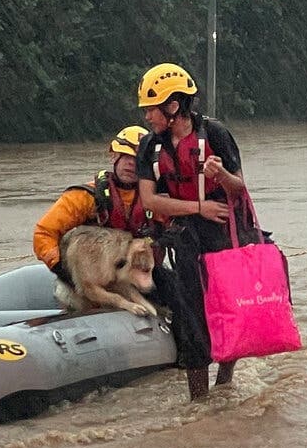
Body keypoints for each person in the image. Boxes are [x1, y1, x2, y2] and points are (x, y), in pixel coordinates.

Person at [133, 63, 244, 400]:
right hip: (184, 238)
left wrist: (221, 175)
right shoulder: (149, 148)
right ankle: (199, 401)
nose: (147, 118)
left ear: (173, 106)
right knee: (193, 320)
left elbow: (239, 188)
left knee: (227, 311)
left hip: (222, 236)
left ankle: (225, 384)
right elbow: (150, 200)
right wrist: (198, 209)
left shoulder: (216, 135)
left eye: (151, 109)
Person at [32, 125, 163, 274]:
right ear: (114, 156)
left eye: (137, 160)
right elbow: (44, 233)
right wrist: (60, 268)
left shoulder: (157, 198)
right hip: (95, 276)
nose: (131, 164)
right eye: (126, 157)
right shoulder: (87, 196)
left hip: (140, 274)